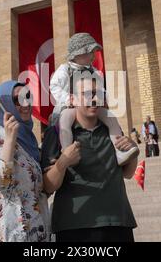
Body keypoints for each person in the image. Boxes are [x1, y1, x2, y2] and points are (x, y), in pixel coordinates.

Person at [42, 70, 138, 242]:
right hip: (75, 226)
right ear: (72, 100)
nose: (94, 99)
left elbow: (128, 173)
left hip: (118, 222)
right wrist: (62, 163)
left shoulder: (111, 129)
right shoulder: (57, 132)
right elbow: (48, 187)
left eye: (98, 93)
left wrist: (133, 152)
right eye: (87, 94)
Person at [0, 80, 50, 242]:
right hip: (5, 231)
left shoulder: (29, 140)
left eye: (28, 97)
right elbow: (0, 182)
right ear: (5, 103)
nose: (25, 103)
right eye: (17, 99)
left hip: (33, 231)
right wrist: (9, 139)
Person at [50, 33, 137, 167]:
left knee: (110, 117)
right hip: (69, 106)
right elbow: (54, 85)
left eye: (93, 52)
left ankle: (119, 150)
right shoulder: (64, 69)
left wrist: (104, 100)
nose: (93, 56)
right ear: (77, 55)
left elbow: (101, 89)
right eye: (89, 52)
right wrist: (68, 99)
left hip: (92, 105)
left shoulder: (94, 72)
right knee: (64, 121)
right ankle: (65, 152)